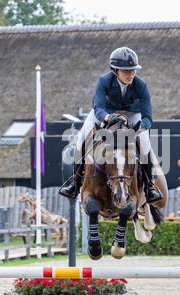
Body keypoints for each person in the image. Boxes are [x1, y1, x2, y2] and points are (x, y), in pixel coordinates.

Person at [59, 47, 163, 203]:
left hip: (132, 114)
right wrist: (108, 118)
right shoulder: (104, 81)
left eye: (133, 70)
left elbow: (148, 117)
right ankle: (74, 182)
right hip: (105, 112)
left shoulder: (141, 85)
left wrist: (138, 130)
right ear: (115, 71)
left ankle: (149, 186)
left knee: (145, 143)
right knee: (81, 139)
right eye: (127, 71)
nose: (131, 74)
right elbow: (98, 107)